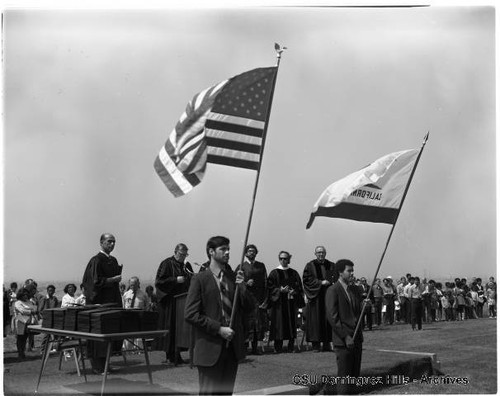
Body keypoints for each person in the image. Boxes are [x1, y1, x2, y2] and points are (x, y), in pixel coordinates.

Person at [185, 236, 253, 395]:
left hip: (232, 349)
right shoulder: (200, 279)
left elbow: (249, 308)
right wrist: (219, 329)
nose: (228, 252)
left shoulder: (233, 277)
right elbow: (190, 314)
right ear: (211, 252)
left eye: (228, 249)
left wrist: (242, 286)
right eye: (223, 249)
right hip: (209, 350)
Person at [81, 233, 123, 374]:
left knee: (109, 334)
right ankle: (97, 366)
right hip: (100, 303)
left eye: (114, 242)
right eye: (109, 241)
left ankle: (106, 364)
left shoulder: (113, 260)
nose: (112, 244)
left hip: (111, 302)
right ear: (101, 243)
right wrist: (112, 280)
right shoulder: (96, 260)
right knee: (98, 335)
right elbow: (93, 283)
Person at [325, 259, 364, 395]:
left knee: (354, 376)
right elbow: (332, 317)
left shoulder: (353, 289)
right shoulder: (333, 290)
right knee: (344, 377)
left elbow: (355, 312)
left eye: (352, 270)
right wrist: (345, 336)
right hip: (343, 341)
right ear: (340, 272)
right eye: (349, 270)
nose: (352, 273)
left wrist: (364, 306)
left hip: (357, 338)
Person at [154, 243, 194, 365]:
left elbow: (191, 278)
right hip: (170, 302)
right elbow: (159, 281)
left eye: (185, 254)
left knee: (180, 329)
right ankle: (170, 355)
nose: (183, 257)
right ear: (175, 252)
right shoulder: (166, 263)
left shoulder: (186, 265)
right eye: (181, 254)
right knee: (170, 328)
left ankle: (177, 354)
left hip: (182, 301)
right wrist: (175, 280)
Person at [267, 251, 304, 354]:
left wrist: (294, 292)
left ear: (289, 259)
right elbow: (270, 287)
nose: (283, 260)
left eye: (285, 258)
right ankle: (277, 347)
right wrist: (279, 290)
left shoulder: (294, 273)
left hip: (291, 303)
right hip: (279, 304)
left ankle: (291, 346)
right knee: (279, 324)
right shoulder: (274, 273)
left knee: (291, 323)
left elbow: (299, 287)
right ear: (279, 259)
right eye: (281, 258)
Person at [235, 244, 268, 355]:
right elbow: (235, 281)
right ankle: (244, 348)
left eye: (253, 251)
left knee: (256, 323)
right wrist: (245, 282)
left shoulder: (261, 266)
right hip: (246, 298)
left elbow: (265, 282)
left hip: (257, 298)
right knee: (246, 323)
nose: (251, 253)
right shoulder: (241, 267)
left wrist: (264, 298)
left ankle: (255, 348)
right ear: (245, 253)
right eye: (249, 251)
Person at [302, 246, 335, 352]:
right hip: (316, 297)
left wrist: (332, 282)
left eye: (322, 252)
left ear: (325, 253)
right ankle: (315, 345)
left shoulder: (331, 265)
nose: (321, 254)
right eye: (318, 252)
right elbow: (307, 280)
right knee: (315, 321)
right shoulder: (310, 265)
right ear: (315, 253)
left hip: (328, 296)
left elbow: (336, 277)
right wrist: (321, 282)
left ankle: (326, 344)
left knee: (327, 320)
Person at [122, 277, 150, 353]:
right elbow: (123, 306)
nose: (132, 287)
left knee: (139, 336)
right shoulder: (126, 294)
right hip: (128, 317)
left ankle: (139, 350)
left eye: (134, 285)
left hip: (139, 317)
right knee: (128, 335)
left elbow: (147, 306)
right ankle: (127, 350)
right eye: (131, 285)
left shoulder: (143, 294)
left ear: (138, 284)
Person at [13, 287, 38, 360]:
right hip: (20, 321)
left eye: (26, 294)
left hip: (29, 321)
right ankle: (20, 353)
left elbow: (34, 308)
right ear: (20, 295)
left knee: (25, 337)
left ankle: (23, 352)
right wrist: (30, 311)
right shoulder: (17, 302)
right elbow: (22, 311)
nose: (25, 296)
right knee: (20, 338)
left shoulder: (29, 302)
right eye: (24, 295)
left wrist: (31, 311)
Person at [39, 285, 59, 354]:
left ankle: (54, 348)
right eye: (50, 290)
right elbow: (40, 310)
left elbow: (57, 308)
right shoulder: (44, 299)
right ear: (47, 291)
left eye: (52, 291)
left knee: (54, 334)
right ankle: (42, 349)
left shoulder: (55, 299)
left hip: (54, 318)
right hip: (46, 319)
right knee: (46, 335)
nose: (51, 292)